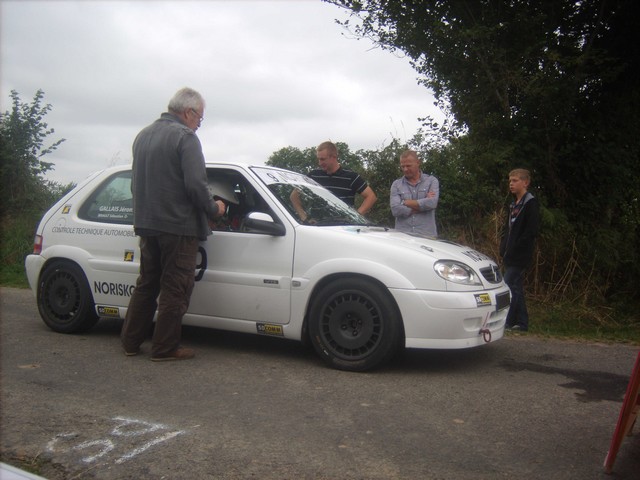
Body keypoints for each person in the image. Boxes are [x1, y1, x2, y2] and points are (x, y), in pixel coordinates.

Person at [121, 87, 226, 361]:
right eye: (200, 119)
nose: (198, 125)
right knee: (175, 287)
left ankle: (130, 342)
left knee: (147, 283)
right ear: (188, 112)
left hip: (147, 224)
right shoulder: (185, 137)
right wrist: (215, 208)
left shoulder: (143, 136)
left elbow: (136, 184)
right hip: (178, 227)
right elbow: (196, 185)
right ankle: (164, 347)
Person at [499, 168, 540, 332]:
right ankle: (522, 323)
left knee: (507, 286)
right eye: (510, 181)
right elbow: (508, 230)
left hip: (520, 255)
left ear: (526, 182)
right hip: (509, 254)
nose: (511, 184)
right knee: (516, 287)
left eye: (515, 180)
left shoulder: (531, 204)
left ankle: (507, 321)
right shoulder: (513, 204)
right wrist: (504, 247)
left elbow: (531, 231)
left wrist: (516, 248)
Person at [308, 141, 377, 215]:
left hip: (343, 225)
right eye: (319, 159)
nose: (319, 163)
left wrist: (357, 216)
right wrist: (304, 217)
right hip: (316, 225)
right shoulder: (313, 176)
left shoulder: (351, 177)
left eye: (323, 159)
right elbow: (295, 195)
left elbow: (371, 197)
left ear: (334, 157)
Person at [390, 149, 440, 237]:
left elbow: (432, 203)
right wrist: (423, 205)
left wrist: (405, 202)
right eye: (402, 166)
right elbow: (395, 210)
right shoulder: (396, 184)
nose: (405, 169)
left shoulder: (431, 181)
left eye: (408, 166)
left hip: (427, 236)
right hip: (403, 237)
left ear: (418, 163)